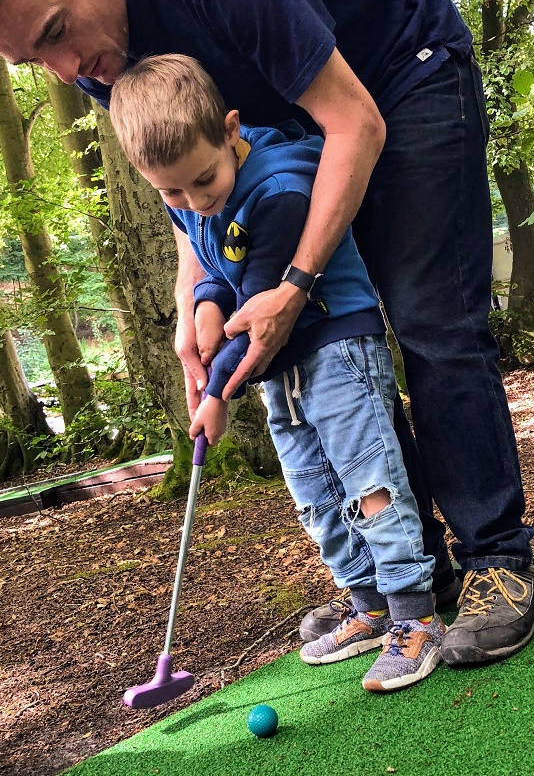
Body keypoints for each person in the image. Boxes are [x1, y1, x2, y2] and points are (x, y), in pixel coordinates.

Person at [0, 0, 534, 667]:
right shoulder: (95, 56)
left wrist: (292, 284)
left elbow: (354, 119)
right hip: (283, 127)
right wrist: (196, 299)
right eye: (31, 61)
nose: (66, 68)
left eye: (55, 31)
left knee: (428, 314)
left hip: (397, 73)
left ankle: (497, 562)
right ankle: (413, 583)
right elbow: (190, 190)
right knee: (334, 348)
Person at [109, 53, 446, 691]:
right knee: (317, 497)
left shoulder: (281, 194)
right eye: (170, 193)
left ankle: (416, 617)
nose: (192, 203)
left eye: (202, 182)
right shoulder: (193, 196)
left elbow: (263, 315)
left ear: (233, 130)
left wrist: (215, 395)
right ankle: (369, 607)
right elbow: (216, 264)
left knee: (369, 485)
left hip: (333, 349)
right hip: (280, 374)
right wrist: (206, 303)